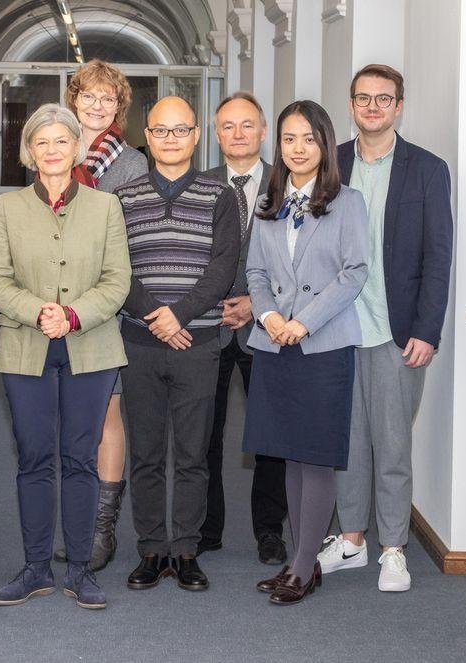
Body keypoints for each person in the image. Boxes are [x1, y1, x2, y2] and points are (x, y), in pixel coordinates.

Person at [0, 103, 131, 610]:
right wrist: (39, 311)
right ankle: (35, 567)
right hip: (25, 348)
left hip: (91, 346)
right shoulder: (5, 208)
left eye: (61, 141)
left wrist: (70, 316)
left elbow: (117, 280)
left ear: (77, 148)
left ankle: (82, 571)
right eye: (41, 142)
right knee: (35, 459)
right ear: (29, 152)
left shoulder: (105, 207)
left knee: (80, 459)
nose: (51, 150)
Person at [318, 64, 453, 592]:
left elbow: (438, 256)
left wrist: (428, 329)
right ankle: (352, 540)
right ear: (351, 106)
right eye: (363, 99)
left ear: (399, 106)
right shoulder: (333, 164)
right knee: (346, 444)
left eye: (384, 99)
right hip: (337, 328)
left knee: (393, 445)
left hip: (396, 332)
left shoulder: (427, 169)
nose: (373, 107)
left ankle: (393, 548)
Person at [244, 100, 369, 605]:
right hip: (274, 343)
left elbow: (355, 272)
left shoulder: (349, 201)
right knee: (289, 454)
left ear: (325, 145)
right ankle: (300, 562)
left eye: (309, 139)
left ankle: (302, 567)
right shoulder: (268, 201)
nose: (298, 149)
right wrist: (270, 317)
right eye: (289, 139)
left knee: (315, 458)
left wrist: (304, 321)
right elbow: (255, 272)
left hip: (324, 344)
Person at [116, 97, 240, 593]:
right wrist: (156, 317)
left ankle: (186, 550)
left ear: (195, 136)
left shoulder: (220, 196)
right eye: (160, 131)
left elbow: (224, 266)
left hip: (200, 341)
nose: (170, 139)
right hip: (140, 343)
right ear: (146, 136)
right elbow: (115, 268)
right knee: (145, 452)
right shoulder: (121, 198)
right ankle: (151, 550)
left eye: (180, 130)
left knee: (192, 454)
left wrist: (180, 315)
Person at [47, 59, 148, 571]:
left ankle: (102, 530)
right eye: (88, 95)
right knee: (66, 418)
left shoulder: (131, 165)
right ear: (73, 98)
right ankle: (77, 522)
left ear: (119, 107)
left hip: (104, 306)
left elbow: (131, 243)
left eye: (108, 98)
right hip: (52, 308)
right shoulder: (52, 149)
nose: (97, 104)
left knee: (105, 414)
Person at [200, 92, 288, 565]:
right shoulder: (200, 184)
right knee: (203, 435)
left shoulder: (289, 182)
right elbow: (190, 258)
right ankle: (206, 529)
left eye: (247, 125)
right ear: (217, 134)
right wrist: (215, 302)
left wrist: (257, 303)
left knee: (269, 436)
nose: (238, 134)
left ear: (262, 131)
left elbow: (303, 258)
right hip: (210, 327)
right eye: (228, 126)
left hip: (267, 326)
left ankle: (269, 530)